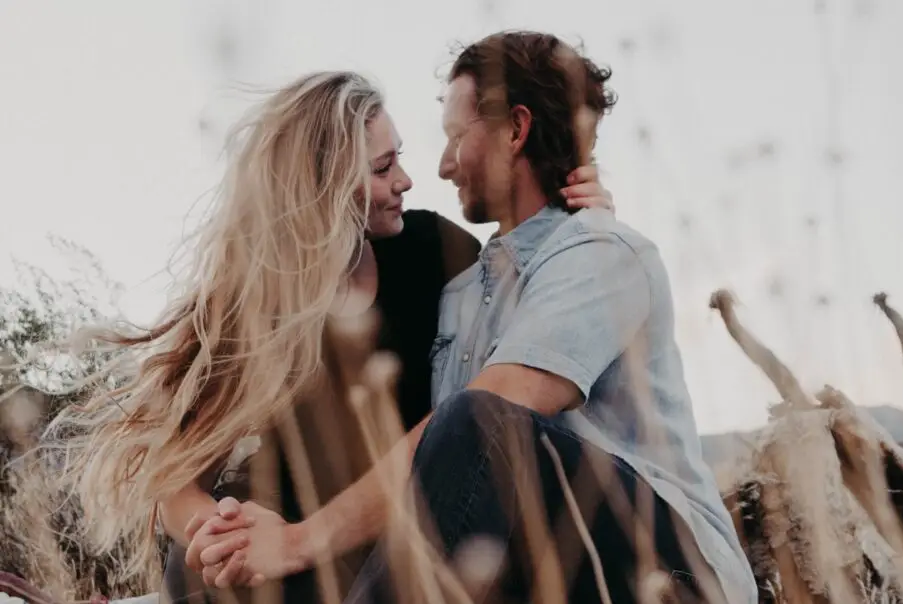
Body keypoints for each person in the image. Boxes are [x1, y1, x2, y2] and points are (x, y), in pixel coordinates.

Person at [193, 32, 758, 604]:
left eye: (455, 138)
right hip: (531, 564)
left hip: (671, 572)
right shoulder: (460, 289)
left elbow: (491, 417)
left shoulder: (603, 254)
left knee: (476, 418)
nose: (438, 169)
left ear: (516, 130)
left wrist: (300, 540)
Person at [49, 71, 613, 603]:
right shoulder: (252, 299)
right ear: (327, 187)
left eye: (399, 160)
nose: (406, 181)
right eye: (383, 167)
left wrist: (581, 225)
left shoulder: (435, 249)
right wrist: (225, 535)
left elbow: (535, 343)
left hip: (407, 524)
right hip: (288, 541)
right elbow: (176, 480)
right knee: (208, 568)